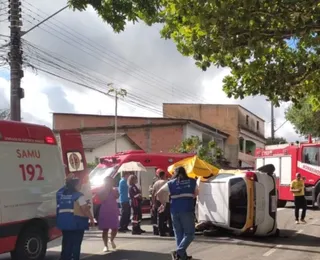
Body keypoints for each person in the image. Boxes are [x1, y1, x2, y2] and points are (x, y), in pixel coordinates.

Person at [157, 167, 198, 260]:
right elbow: (196, 193)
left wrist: (163, 204)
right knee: (189, 234)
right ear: (185, 172)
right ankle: (179, 252)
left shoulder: (171, 183)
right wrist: (189, 197)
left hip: (174, 211)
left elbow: (158, 193)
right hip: (187, 210)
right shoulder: (192, 181)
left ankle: (182, 257)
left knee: (179, 234)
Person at [56, 175, 94, 260]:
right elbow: (84, 208)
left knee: (66, 244)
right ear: (75, 185)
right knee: (76, 244)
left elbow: (59, 191)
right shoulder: (78, 195)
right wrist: (91, 218)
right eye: (79, 184)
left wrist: (67, 181)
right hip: (76, 224)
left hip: (64, 224)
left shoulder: (61, 195)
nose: (80, 186)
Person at [98, 176, 120, 252]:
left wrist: (114, 191)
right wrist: (107, 191)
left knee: (115, 228)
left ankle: (111, 239)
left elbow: (117, 196)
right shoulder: (101, 190)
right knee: (105, 229)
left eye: (111, 182)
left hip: (113, 210)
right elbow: (102, 199)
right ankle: (105, 245)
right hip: (105, 211)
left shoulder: (114, 189)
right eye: (108, 182)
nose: (109, 183)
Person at [152, 169, 174, 237]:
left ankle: (161, 231)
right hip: (166, 201)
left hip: (158, 201)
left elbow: (153, 193)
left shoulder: (156, 183)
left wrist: (154, 202)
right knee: (169, 217)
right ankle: (171, 232)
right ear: (164, 175)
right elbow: (171, 192)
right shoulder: (166, 182)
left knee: (160, 217)